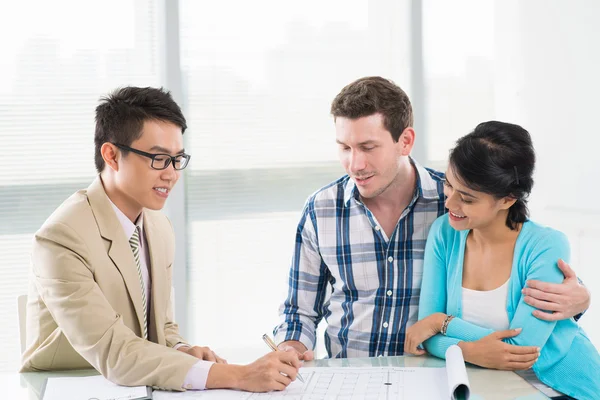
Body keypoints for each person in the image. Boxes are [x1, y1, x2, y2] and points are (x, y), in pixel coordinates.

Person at [274, 77, 591, 365]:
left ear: (406, 141)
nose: (354, 164)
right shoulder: (322, 209)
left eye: (368, 148)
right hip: (352, 374)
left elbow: (521, 248)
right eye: (345, 148)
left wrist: (580, 296)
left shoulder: (456, 205)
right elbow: (298, 311)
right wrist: (290, 347)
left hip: (433, 375)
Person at [21, 87, 300, 392]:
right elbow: (116, 353)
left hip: (138, 385)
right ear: (111, 155)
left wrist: (181, 350)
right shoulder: (61, 237)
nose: (172, 174)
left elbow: (162, 329)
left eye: (177, 159)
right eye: (158, 159)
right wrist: (238, 375)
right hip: (68, 387)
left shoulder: (158, 226)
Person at [404, 121, 600, 399]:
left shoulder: (546, 245)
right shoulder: (444, 234)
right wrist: (465, 350)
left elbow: (520, 348)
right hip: (492, 389)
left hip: (565, 389)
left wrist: (442, 323)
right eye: (449, 184)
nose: (450, 203)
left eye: (467, 199)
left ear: (507, 200)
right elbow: (426, 336)